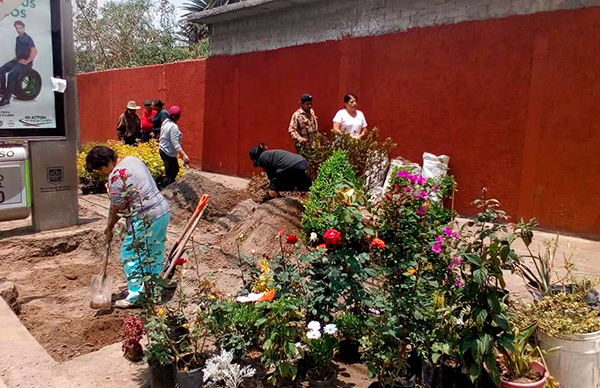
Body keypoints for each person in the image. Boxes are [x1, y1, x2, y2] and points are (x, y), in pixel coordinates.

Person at [85, 145, 171, 308]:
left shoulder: (115, 178)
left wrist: (109, 227)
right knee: (154, 250)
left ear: (106, 163)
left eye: (99, 170)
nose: (101, 173)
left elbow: (119, 208)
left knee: (130, 252)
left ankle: (136, 295)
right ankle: (150, 289)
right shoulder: (132, 160)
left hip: (146, 217)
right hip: (163, 211)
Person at [0, 21, 38, 108]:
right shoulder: (17, 38)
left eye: (20, 28)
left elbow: (34, 51)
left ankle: (6, 100)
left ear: (24, 28)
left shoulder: (27, 38)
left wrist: (27, 61)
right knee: (1, 70)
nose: (18, 30)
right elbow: (18, 50)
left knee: (11, 74)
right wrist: (16, 58)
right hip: (18, 61)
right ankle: (2, 91)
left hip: (25, 64)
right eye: (17, 28)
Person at [159, 106, 190, 187]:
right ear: (178, 117)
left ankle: (170, 187)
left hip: (163, 150)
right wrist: (184, 155)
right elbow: (175, 143)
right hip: (167, 152)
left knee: (175, 169)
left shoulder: (166, 122)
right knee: (170, 173)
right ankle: (165, 191)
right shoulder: (173, 127)